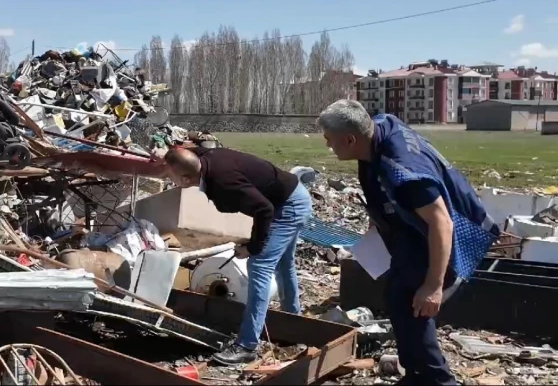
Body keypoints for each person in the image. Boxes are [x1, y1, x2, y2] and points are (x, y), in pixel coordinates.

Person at [317, 100, 499, 385]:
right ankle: (416, 374)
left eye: (330, 140)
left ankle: (438, 380)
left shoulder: (403, 171)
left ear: (350, 139)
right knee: (396, 296)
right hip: (410, 232)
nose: (328, 146)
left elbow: (442, 223)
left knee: (415, 307)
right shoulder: (379, 128)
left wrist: (433, 286)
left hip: (444, 235)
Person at [156, 146, 312, 365]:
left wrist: (252, 248)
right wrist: (167, 153)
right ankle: (293, 324)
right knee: (283, 264)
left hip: (287, 206)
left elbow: (264, 209)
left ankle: (247, 345)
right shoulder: (204, 158)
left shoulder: (223, 182)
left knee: (259, 265)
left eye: (170, 175)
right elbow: (191, 151)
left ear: (184, 179)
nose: (168, 178)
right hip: (290, 196)